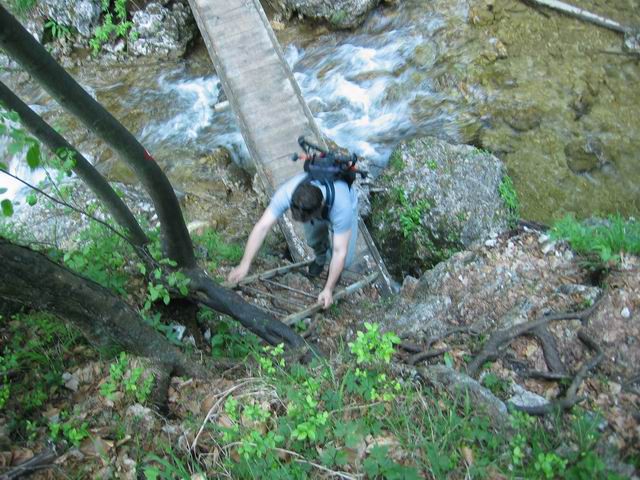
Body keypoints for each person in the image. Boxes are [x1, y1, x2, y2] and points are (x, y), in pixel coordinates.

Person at [227, 154, 359, 309]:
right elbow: (261, 227)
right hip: (314, 207)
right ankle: (321, 259)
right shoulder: (288, 192)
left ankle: (332, 276)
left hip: (341, 204)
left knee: (346, 260)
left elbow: (340, 252)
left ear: (319, 208)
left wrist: (328, 290)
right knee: (313, 240)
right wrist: (244, 263)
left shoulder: (342, 208)